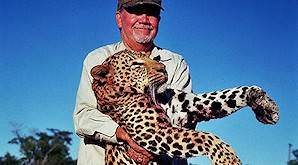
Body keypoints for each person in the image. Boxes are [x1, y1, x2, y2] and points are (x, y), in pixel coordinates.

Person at [73, 0, 193, 164]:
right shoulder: (98, 59)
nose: (144, 19)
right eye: (136, 11)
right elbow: (83, 116)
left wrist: (147, 142)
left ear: (159, 20)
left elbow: (184, 118)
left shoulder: (175, 63)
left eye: (151, 12)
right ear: (119, 19)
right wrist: (122, 135)